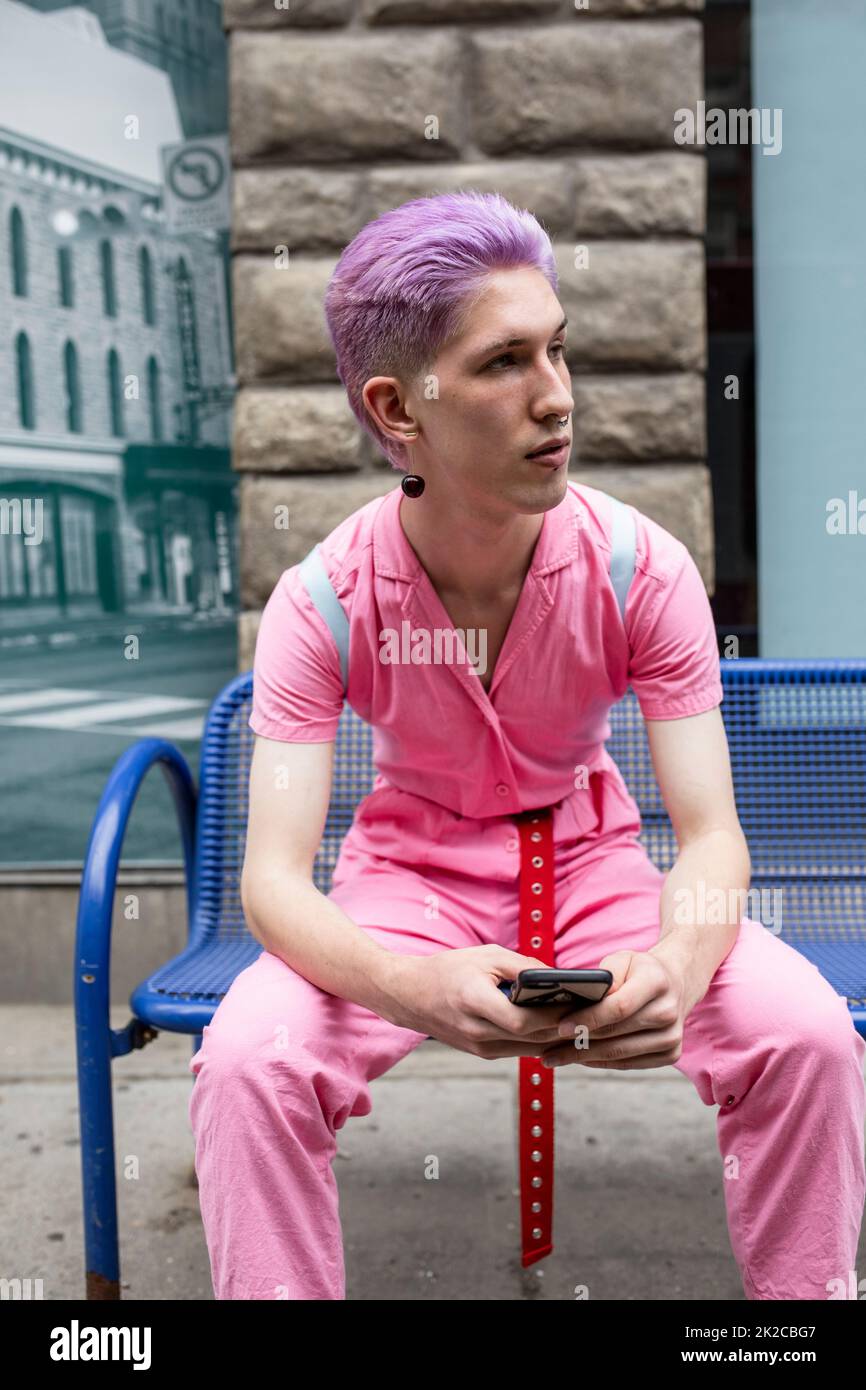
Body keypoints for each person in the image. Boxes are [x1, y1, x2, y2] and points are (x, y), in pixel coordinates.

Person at [188, 191, 866, 1301]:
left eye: (556, 348)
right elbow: (270, 881)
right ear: (398, 407)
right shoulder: (321, 602)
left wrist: (673, 971)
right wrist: (408, 986)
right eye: (505, 361)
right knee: (245, 1062)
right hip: (403, 885)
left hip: (598, 865)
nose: (556, 398)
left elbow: (709, 840)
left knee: (807, 1037)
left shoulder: (638, 569)